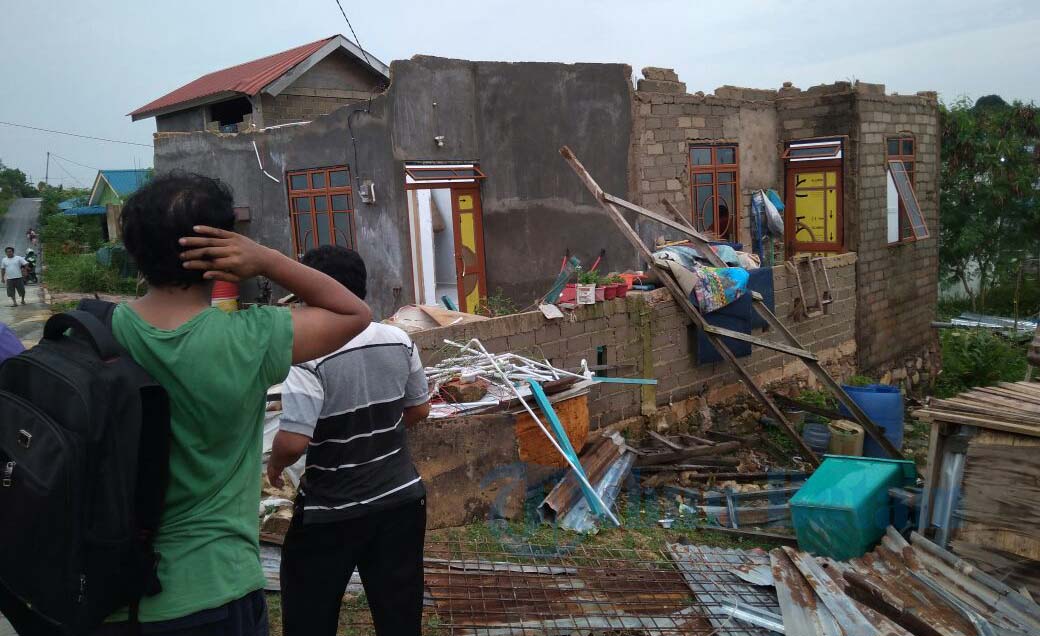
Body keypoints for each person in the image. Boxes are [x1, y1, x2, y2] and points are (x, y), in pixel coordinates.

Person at [93, 173, 371, 636]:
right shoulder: (250, 338)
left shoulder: (96, 332)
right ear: (223, 247)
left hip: (110, 591)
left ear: (134, 246)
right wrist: (267, 260)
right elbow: (354, 312)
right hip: (213, 588)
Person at [268, 246, 431, 636]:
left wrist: (274, 465)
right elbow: (420, 409)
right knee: (399, 617)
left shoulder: (308, 354)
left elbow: (293, 442)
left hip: (331, 510)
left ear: (314, 291)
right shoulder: (398, 339)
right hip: (401, 501)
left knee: (310, 616)